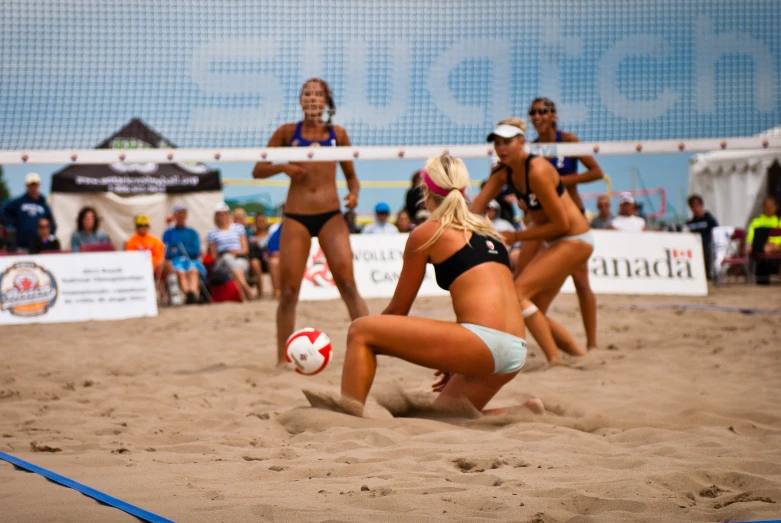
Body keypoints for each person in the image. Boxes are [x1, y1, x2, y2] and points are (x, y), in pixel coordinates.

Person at [340, 155, 543, 417]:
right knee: (443, 417)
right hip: (515, 349)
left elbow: (397, 312)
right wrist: (454, 355)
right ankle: (523, 412)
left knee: (361, 331)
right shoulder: (490, 230)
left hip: (482, 343)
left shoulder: (428, 232)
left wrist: (375, 345)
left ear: (425, 190)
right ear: (464, 189)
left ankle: (346, 417)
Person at [251, 77, 368, 364]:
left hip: (330, 214)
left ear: (326, 102)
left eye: (318, 94)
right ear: (300, 100)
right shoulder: (287, 132)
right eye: (307, 94)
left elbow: (352, 177)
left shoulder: (337, 133)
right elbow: (258, 169)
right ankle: (282, 359)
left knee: (348, 284)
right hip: (296, 216)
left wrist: (353, 195)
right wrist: (284, 167)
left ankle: (372, 345)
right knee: (289, 292)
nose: (312, 98)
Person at [471, 118, 591, 364]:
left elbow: (562, 225)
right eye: (497, 143)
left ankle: (555, 360)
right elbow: (475, 209)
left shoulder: (537, 170)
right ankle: (581, 356)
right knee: (533, 307)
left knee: (518, 294)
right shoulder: (504, 172)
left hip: (575, 238)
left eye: (507, 142)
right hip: (555, 241)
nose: (501, 148)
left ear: (522, 142)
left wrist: (516, 236)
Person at [529, 98, 602, 351]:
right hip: (545, 221)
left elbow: (596, 172)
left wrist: (560, 181)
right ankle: (552, 342)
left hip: (573, 220)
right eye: (532, 112)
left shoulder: (568, 141)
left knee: (581, 281)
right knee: (536, 287)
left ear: (552, 115)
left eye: (541, 112)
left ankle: (591, 345)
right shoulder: (532, 148)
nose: (536, 116)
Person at [208, 202, 257, 301]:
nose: (223, 216)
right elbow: (214, 256)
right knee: (227, 258)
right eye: (220, 214)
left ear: (228, 214)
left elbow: (245, 250)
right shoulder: (212, 233)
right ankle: (247, 289)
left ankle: (242, 298)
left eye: (225, 213)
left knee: (235, 268)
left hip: (238, 258)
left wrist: (235, 253)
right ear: (216, 216)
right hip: (222, 262)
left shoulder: (239, 228)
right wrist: (228, 253)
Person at [1, 173, 56, 251]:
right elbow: (3, 212)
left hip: (39, 246)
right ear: (26, 186)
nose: (33, 187)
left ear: (39, 185)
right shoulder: (19, 202)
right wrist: (12, 223)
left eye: (35, 184)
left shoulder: (43, 204)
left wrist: (47, 240)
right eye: (30, 185)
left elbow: (51, 224)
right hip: (22, 245)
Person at [162, 204, 205, 304]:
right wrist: (181, 251)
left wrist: (177, 250)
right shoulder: (168, 233)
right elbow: (167, 252)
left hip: (191, 260)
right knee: (181, 272)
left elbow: (196, 250)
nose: (181, 217)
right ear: (174, 216)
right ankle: (188, 293)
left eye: (183, 214)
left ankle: (192, 293)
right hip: (176, 261)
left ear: (186, 216)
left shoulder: (192, 232)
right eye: (179, 214)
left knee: (192, 271)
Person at [747, 195, 781, 285]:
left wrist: (776, 245)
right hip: (763, 248)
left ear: (776, 207)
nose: (769, 208)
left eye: (771, 206)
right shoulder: (756, 222)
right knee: (762, 249)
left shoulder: (779, 221)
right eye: (767, 206)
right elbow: (751, 238)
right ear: (763, 207)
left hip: (777, 247)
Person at [685, 194, 719, 280]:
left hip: (707, 245)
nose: (694, 208)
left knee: (706, 249)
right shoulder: (690, 223)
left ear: (701, 205)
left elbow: (716, 233)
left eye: (696, 205)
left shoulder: (709, 220)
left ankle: (708, 275)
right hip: (694, 247)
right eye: (692, 206)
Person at [249, 213, 272, 298]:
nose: (260, 223)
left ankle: (276, 292)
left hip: (269, 260)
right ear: (255, 223)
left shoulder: (270, 236)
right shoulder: (251, 237)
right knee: (255, 263)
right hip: (257, 261)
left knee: (273, 262)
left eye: (262, 221)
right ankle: (260, 293)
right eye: (258, 221)